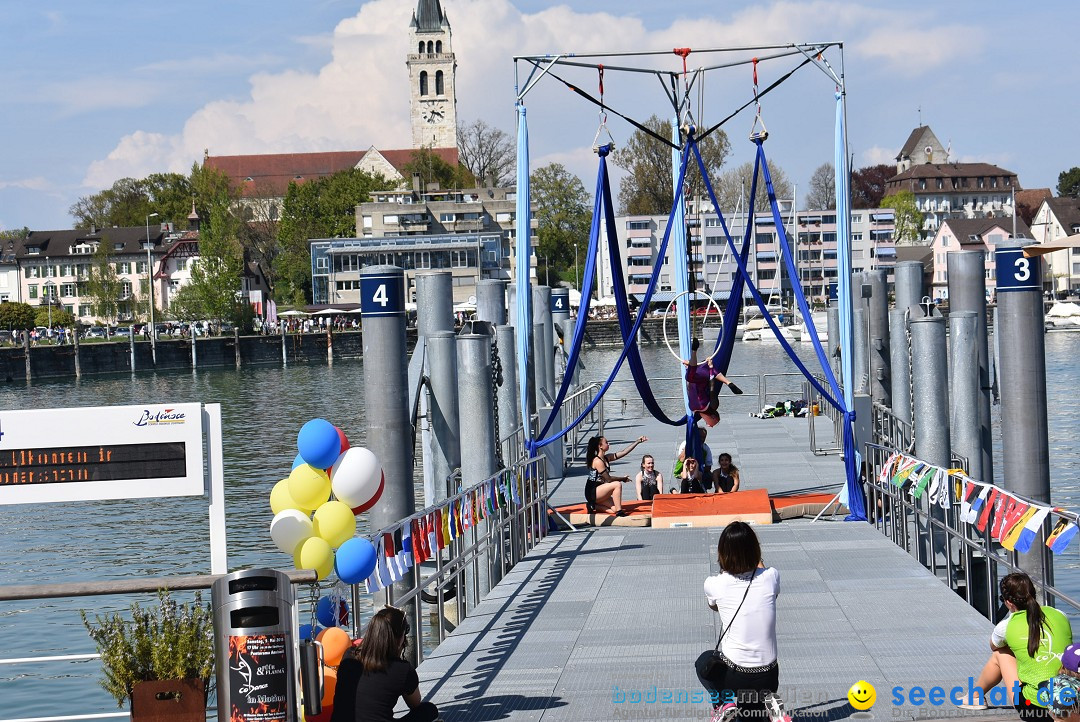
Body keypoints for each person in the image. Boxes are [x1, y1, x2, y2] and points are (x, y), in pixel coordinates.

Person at [697, 521, 781, 721]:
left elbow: (714, 607)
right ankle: (772, 706)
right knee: (751, 714)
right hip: (769, 675)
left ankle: (724, 702)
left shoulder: (714, 584)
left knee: (704, 661)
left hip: (735, 675)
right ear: (755, 551)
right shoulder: (771, 577)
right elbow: (768, 585)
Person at [960, 572, 1072, 718]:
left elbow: (995, 646)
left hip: (1036, 710)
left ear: (1009, 602)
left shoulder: (1006, 626)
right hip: (1072, 702)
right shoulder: (1060, 614)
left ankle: (974, 697)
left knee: (1001, 654)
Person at [331, 606, 439, 722]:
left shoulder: (349, 656)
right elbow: (415, 703)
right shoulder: (402, 669)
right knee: (429, 710)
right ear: (400, 638)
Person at [684, 339, 743, 427]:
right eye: (711, 424)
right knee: (690, 377)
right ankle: (694, 352)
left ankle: (728, 382)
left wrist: (687, 368)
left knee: (689, 377)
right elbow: (712, 388)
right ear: (713, 417)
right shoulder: (713, 406)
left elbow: (689, 390)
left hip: (694, 372)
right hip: (702, 377)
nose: (709, 426)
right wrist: (711, 368)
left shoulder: (693, 410)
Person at [585, 435, 647, 516]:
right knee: (617, 484)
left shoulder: (607, 458)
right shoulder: (597, 461)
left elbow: (623, 452)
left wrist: (637, 442)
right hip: (592, 492)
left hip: (600, 490)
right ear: (600, 446)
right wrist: (623, 478)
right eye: (606, 442)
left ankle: (593, 506)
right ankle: (619, 512)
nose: (609, 444)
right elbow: (609, 479)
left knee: (613, 509)